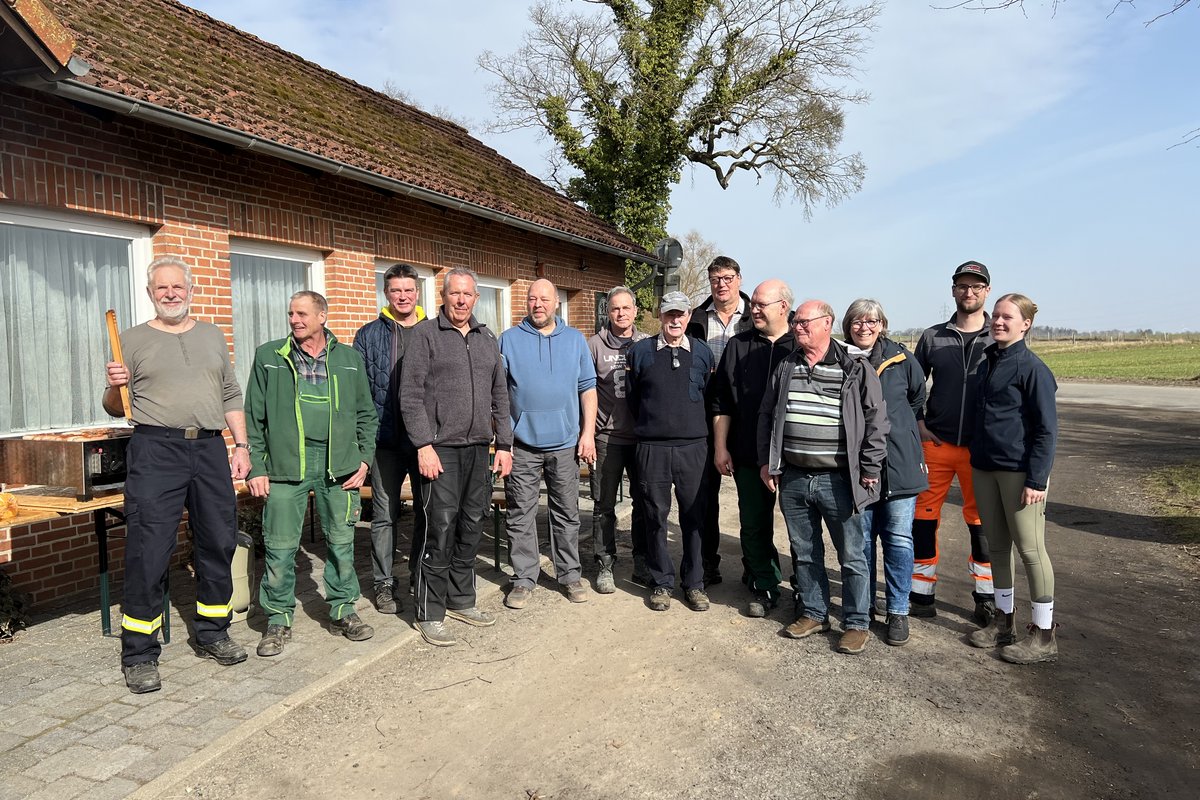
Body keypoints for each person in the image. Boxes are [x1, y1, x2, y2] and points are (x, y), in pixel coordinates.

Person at [103, 255, 251, 694]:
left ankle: (213, 632)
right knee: (148, 548)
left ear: (191, 291)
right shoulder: (129, 340)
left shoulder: (211, 335)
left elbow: (230, 392)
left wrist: (240, 445)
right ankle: (139, 654)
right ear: (150, 293)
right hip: (155, 448)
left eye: (177, 287)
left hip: (208, 447)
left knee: (219, 540)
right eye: (161, 288)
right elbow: (114, 407)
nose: (170, 293)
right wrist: (116, 385)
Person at [244, 291, 379, 657]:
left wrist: (364, 460)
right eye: (290, 313)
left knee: (341, 543)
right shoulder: (269, 357)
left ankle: (343, 610)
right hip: (286, 465)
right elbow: (254, 418)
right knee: (280, 546)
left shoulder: (350, 360)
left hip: (339, 465)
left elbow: (367, 415)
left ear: (322, 316)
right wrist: (257, 466)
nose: (294, 319)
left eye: (302, 313)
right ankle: (276, 620)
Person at [758, 300, 888, 655]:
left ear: (827, 323)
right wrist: (767, 462)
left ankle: (857, 621)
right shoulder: (787, 366)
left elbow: (876, 420)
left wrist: (871, 467)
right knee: (803, 551)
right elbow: (767, 415)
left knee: (853, 554)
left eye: (804, 322)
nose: (797, 327)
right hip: (795, 476)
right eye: (795, 322)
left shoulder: (855, 367)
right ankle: (815, 612)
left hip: (840, 479)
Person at [401, 268, 513, 646]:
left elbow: (501, 396)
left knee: (470, 525)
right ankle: (429, 610)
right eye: (454, 294)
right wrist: (422, 444)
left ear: (476, 298)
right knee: (440, 527)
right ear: (443, 297)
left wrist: (505, 445)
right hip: (439, 450)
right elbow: (410, 396)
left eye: (467, 294)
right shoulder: (424, 336)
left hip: (479, 448)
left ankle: (462, 599)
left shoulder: (486, 340)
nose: (461, 300)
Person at [967, 294, 1059, 664]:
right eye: (997, 316)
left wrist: (1037, 479)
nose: (999, 322)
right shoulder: (988, 361)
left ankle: (1044, 636)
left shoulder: (1033, 369)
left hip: (1019, 473)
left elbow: (1046, 430)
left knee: (1031, 551)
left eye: (1008, 317)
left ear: (1026, 324)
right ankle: (1004, 624)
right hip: (984, 468)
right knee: (997, 549)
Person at [499, 279, 598, 609]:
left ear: (557, 303)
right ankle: (524, 578)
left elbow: (587, 388)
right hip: (522, 445)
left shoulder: (575, 341)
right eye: (532, 299)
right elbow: (498, 394)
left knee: (567, 513)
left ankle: (569, 574)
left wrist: (586, 434)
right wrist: (503, 441)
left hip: (565, 444)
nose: (537, 304)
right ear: (526, 303)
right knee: (520, 514)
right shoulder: (509, 340)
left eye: (544, 299)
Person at [911, 260, 996, 625]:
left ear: (986, 291)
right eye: (963, 286)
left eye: (976, 286)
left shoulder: (1000, 334)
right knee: (923, 519)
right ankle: (921, 593)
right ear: (953, 291)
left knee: (982, 524)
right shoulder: (933, 337)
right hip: (938, 444)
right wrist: (918, 424)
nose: (969, 292)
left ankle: (986, 596)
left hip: (980, 450)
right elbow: (912, 386)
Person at [843, 299, 928, 647]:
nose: (864, 327)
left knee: (898, 539)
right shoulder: (841, 359)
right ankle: (864, 606)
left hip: (900, 463)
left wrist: (899, 431)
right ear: (848, 325)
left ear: (882, 324)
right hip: (859, 466)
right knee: (861, 541)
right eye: (857, 321)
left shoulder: (903, 359)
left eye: (872, 321)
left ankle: (898, 610)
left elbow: (917, 400)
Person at [710, 279, 796, 618]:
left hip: (795, 456)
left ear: (783, 307)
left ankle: (806, 589)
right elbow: (721, 400)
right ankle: (765, 584)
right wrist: (721, 447)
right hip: (747, 452)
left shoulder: (800, 346)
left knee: (800, 529)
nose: (753, 309)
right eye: (754, 304)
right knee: (754, 524)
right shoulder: (737, 345)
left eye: (761, 304)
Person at [626, 291, 715, 612]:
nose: (675, 320)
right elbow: (635, 400)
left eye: (680, 314)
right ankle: (661, 582)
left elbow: (709, 398)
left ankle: (694, 583)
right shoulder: (640, 353)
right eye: (669, 314)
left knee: (694, 517)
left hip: (694, 448)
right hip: (653, 449)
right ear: (660, 316)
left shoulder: (703, 354)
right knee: (655, 517)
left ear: (689, 316)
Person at [353, 263, 427, 615]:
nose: (403, 296)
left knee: (428, 512)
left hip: (425, 442)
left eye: (408, 290)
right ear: (386, 293)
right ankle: (384, 584)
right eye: (396, 290)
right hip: (384, 442)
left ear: (417, 292)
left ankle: (420, 574)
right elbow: (358, 393)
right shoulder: (368, 335)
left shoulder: (434, 331)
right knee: (384, 516)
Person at [685, 256, 753, 586]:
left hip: (750, 418)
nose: (721, 284)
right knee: (704, 496)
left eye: (727, 278)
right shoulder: (696, 319)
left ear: (739, 279)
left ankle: (754, 566)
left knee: (752, 498)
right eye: (715, 279)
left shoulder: (756, 317)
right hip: (705, 417)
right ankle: (708, 562)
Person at [587, 285, 650, 592]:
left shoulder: (647, 344)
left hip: (641, 438)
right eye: (615, 309)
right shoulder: (594, 346)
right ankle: (605, 562)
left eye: (626, 308)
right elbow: (583, 392)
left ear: (635, 311)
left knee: (643, 502)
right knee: (604, 505)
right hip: (607, 438)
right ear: (607, 312)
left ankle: (641, 559)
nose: (621, 313)